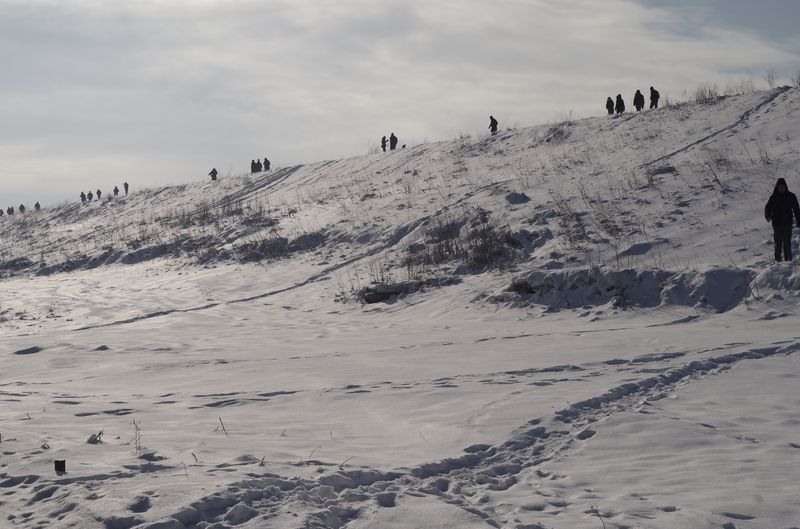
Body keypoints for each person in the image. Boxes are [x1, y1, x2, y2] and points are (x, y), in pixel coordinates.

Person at [765, 178, 800, 261]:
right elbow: (767, 207)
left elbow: (796, 209)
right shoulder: (773, 197)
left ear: (786, 187)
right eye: (780, 187)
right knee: (778, 243)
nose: (781, 188)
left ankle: (788, 261)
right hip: (777, 223)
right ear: (777, 187)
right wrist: (768, 216)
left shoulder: (791, 196)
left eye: (783, 187)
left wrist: (798, 220)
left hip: (788, 222)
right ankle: (778, 262)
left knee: (787, 242)